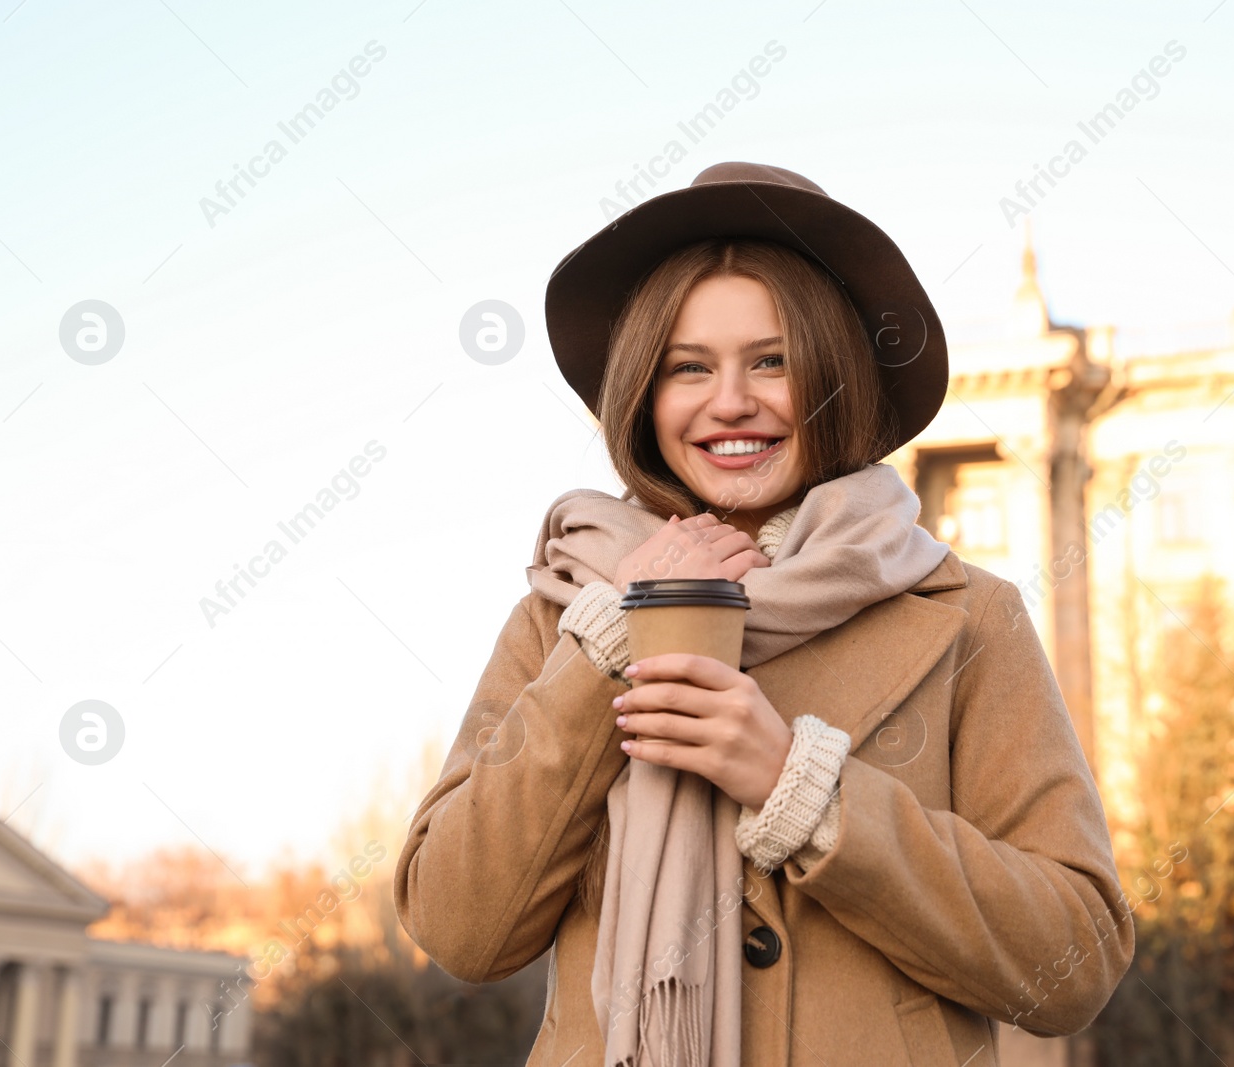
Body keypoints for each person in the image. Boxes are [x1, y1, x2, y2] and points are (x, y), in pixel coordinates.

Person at [394, 162, 1133, 1067]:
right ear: (643, 395)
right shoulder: (565, 612)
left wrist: (806, 791)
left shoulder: (967, 617)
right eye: (687, 367)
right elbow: (461, 927)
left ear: (836, 379)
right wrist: (616, 642)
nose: (730, 401)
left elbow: (1075, 959)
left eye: (773, 361)